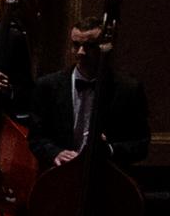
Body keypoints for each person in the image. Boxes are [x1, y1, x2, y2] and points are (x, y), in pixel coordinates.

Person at [26, 9, 150, 167]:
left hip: (108, 176)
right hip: (59, 176)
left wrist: (110, 150)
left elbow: (141, 144)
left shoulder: (128, 89)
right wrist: (55, 152)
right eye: (76, 45)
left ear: (105, 46)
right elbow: (36, 138)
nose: (81, 52)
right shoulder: (47, 86)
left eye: (89, 46)